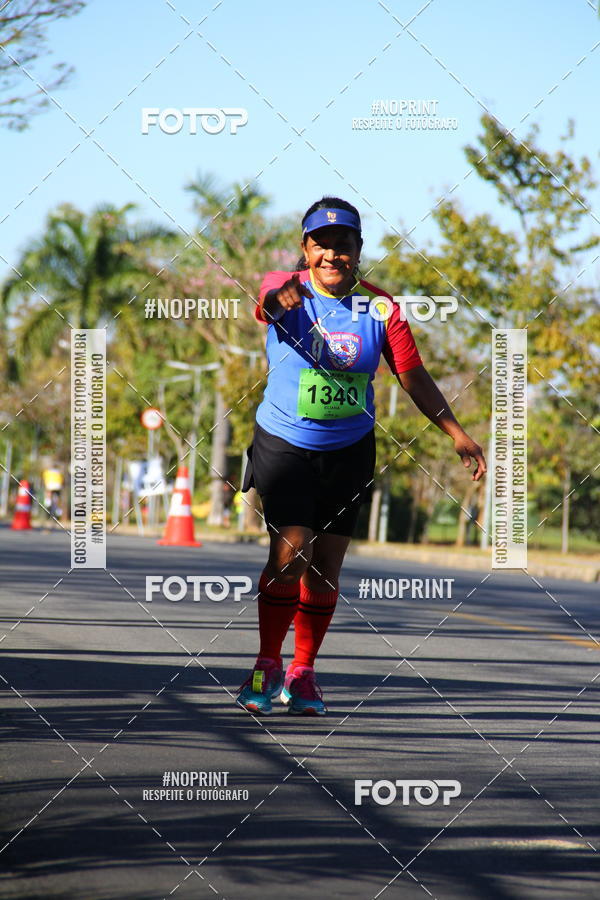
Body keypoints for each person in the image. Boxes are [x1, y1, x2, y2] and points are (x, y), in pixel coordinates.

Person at [237, 197, 486, 716]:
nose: (332, 254)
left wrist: (456, 433)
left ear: (358, 250)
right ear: (305, 248)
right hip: (283, 442)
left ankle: (302, 673)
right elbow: (265, 302)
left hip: (349, 448)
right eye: (321, 244)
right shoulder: (283, 288)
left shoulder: (382, 308)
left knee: (325, 565)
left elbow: (411, 374)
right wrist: (282, 296)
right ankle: (266, 663)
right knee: (292, 549)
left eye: (342, 245)